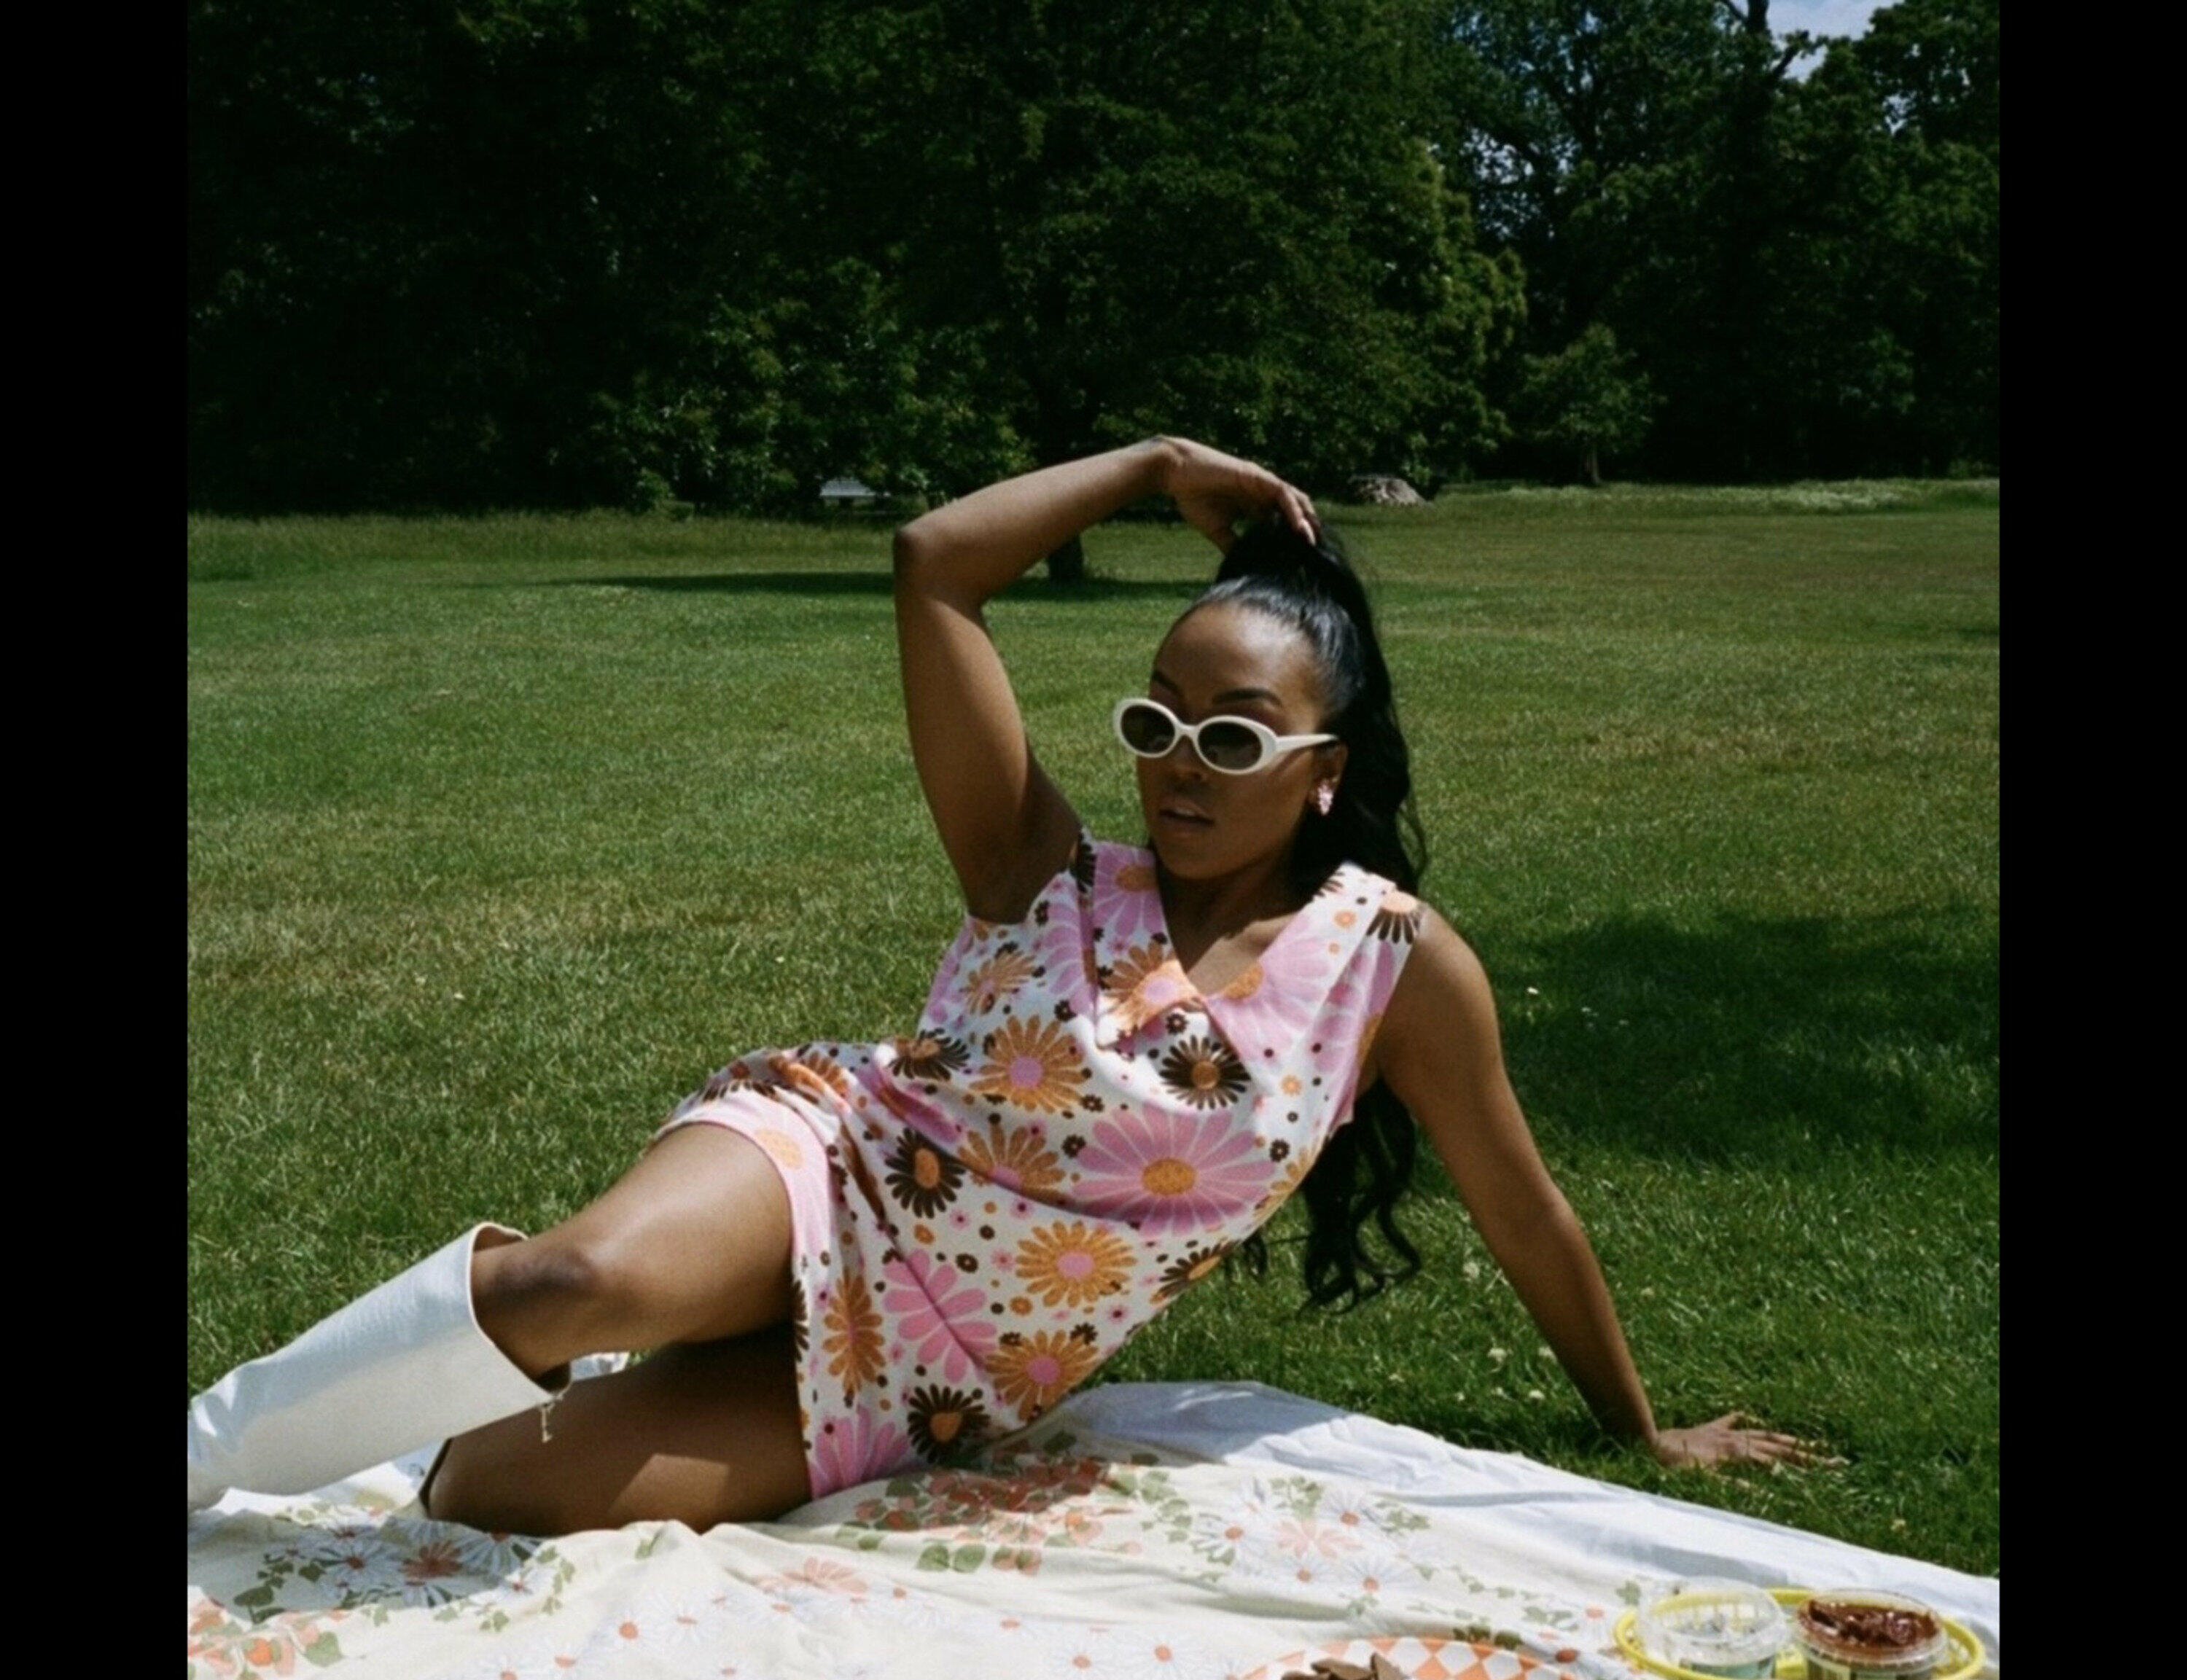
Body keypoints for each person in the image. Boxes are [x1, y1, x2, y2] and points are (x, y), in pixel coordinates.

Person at [187, 438, 1813, 1534]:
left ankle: (615, 1361)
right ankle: (210, 1450)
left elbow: (1524, 1208)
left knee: (480, 1494)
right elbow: (934, 567)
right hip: (838, 1168)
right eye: (1157, 721)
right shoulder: (1044, 869)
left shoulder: (1390, 969)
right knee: (567, 1285)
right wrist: (1156, 465)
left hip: (943, 1371)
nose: (1181, 762)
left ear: (1326, 772)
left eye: (1234, 737)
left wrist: (1639, 1426)